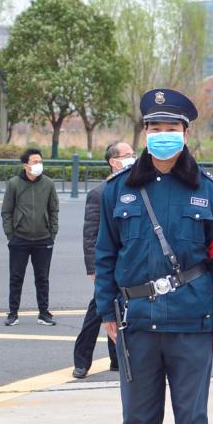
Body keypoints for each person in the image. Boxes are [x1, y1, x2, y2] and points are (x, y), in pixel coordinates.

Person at [95, 88, 213, 424]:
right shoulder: (118, 190)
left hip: (193, 322)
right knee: (139, 417)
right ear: (144, 132)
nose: (163, 135)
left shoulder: (209, 192)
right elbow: (105, 256)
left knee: (191, 416)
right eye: (155, 127)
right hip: (136, 322)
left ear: (185, 133)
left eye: (171, 128)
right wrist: (106, 313)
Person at [72, 141, 132, 378]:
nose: (133, 158)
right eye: (127, 155)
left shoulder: (136, 188)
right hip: (107, 264)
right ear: (114, 161)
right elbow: (91, 234)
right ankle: (81, 361)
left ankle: (116, 359)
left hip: (129, 263)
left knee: (121, 309)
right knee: (98, 310)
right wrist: (93, 268)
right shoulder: (99, 193)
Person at [2, 148, 59, 326]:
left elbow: (54, 210)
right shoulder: (14, 184)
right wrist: (10, 235)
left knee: (42, 278)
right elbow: (6, 211)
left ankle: (44, 313)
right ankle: (13, 313)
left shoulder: (48, 184)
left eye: (40, 161)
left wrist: (52, 234)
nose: (38, 165)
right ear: (25, 165)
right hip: (19, 238)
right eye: (35, 162)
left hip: (43, 239)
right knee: (16, 278)